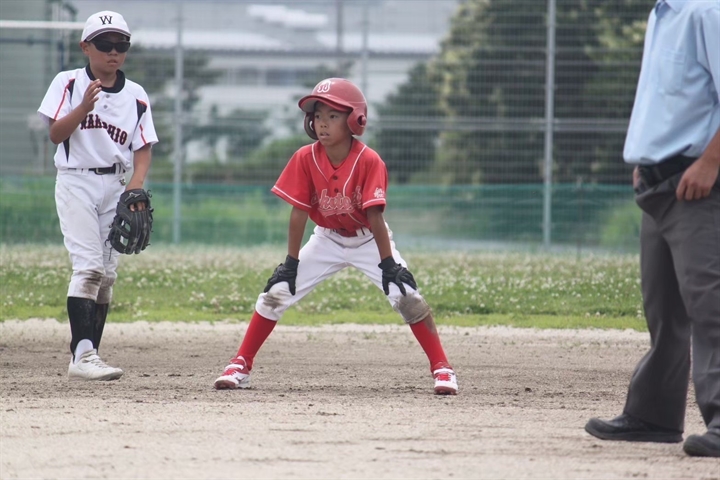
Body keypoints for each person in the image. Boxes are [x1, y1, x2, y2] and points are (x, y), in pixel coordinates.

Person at [213, 78, 458, 395]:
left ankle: (442, 369)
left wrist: (387, 263)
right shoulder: (305, 157)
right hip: (326, 238)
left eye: (332, 116)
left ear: (355, 120)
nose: (322, 123)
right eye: (317, 116)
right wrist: (291, 261)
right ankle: (240, 364)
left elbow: (375, 217)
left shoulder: (369, 160)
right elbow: (299, 212)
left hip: (368, 239)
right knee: (276, 292)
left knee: (406, 295)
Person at [584, 0, 720, 458]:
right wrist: (644, 158)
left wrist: (711, 163)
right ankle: (654, 415)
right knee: (664, 307)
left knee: (710, 303)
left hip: (700, 181)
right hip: (660, 181)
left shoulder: (708, 11)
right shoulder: (664, 13)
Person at [37, 11, 158, 381]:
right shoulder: (67, 82)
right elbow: (56, 134)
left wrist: (136, 185)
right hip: (77, 181)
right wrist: (83, 108)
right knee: (88, 267)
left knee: (106, 276)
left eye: (121, 45)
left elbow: (143, 147)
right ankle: (82, 354)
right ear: (85, 46)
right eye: (105, 44)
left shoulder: (136, 95)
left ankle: (90, 355)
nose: (113, 52)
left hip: (116, 186)